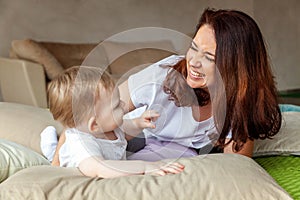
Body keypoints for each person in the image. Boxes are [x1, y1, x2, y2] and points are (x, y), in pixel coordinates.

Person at [52, 8, 282, 163]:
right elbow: (82, 116)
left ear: (237, 68)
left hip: (176, 153)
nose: (193, 61)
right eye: (193, 47)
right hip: (131, 136)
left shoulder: (242, 101)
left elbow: (237, 167)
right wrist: (53, 171)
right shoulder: (159, 78)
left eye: (209, 57)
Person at [40, 65, 184, 178]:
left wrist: (139, 123)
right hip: (75, 159)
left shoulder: (108, 127)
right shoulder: (82, 147)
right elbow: (101, 168)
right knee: (57, 153)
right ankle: (51, 146)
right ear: (94, 124)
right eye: (116, 106)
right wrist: (145, 167)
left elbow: (127, 130)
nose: (123, 105)